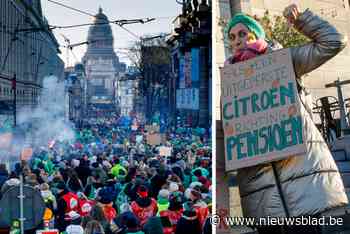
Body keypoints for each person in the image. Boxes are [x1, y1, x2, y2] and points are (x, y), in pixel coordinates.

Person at [224, 3, 348, 234]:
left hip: (304, 187)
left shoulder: (285, 61)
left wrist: (301, 20)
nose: (237, 40)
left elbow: (334, 41)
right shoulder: (231, 83)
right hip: (261, 196)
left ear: (257, 34)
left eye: (243, 33)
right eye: (232, 37)